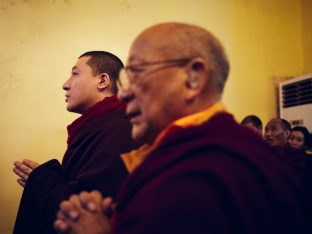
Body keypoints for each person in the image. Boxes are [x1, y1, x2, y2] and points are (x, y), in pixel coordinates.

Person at [54, 23, 312, 234]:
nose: (124, 93)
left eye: (136, 75)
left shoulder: (204, 172)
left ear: (193, 79)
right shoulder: (204, 150)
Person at [12, 51, 138, 234]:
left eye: (75, 73)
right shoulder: (102, 126)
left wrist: (42, 181)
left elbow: (91, 214)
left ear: (103, 81)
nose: (65, 85)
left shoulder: (119, 130)